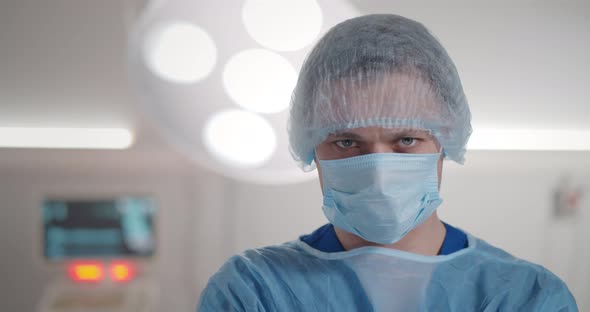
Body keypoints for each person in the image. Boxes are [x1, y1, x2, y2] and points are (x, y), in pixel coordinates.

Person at [197, 14, 578, 311]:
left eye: (406, 140)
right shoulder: (254, 292)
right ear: (311, 147)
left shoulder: (525, 298)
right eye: (347, 142)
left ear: (444, 142)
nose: (378, 170)